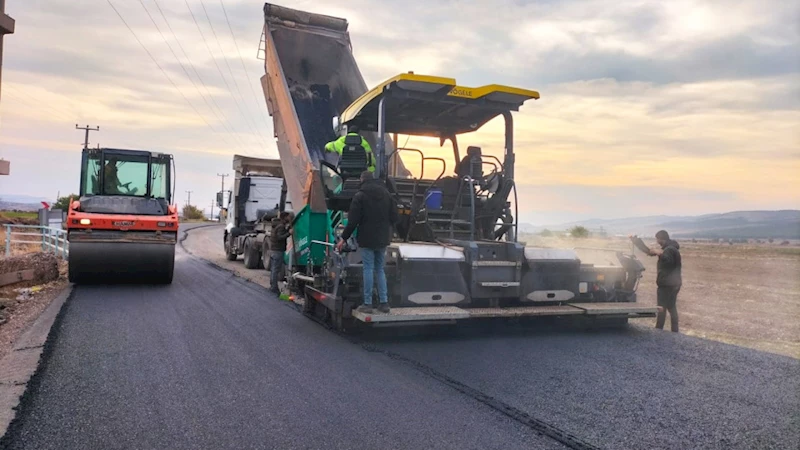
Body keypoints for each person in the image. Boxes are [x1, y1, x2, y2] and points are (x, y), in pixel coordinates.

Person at [336, 170, 398, 314]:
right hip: (383, 238)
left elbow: (352, 221)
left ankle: (368, 304)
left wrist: (343, 239)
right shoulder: (387, 195)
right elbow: (395, 217)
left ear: (362, 180)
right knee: (380, 269)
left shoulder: (360, 196)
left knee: (368, 269)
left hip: (367, 238)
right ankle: (384, 303)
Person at [640, 230, 682, 332]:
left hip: (667, 284)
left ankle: (659, 331)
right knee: (671, 307)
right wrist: (637, 242)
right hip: (674, 284)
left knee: (661, 308)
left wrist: (659, 254)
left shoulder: (669, 250)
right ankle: (675, 331)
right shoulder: (672, 248)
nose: (657, 241)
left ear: (661, 239)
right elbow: (650, 253)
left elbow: (668, 261)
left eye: (657, 239)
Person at [269, 212, 292, 294]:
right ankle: (274, 288)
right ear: (284, 217)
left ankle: (272, 286)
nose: (289, 218)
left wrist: (287, 229)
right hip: (278, 251)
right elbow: (279, 237)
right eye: (288, 217)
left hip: (273, 250)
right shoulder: (281, 226)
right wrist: (289, 233)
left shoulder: (276, 225)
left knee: (273, 269)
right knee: (276, 270)